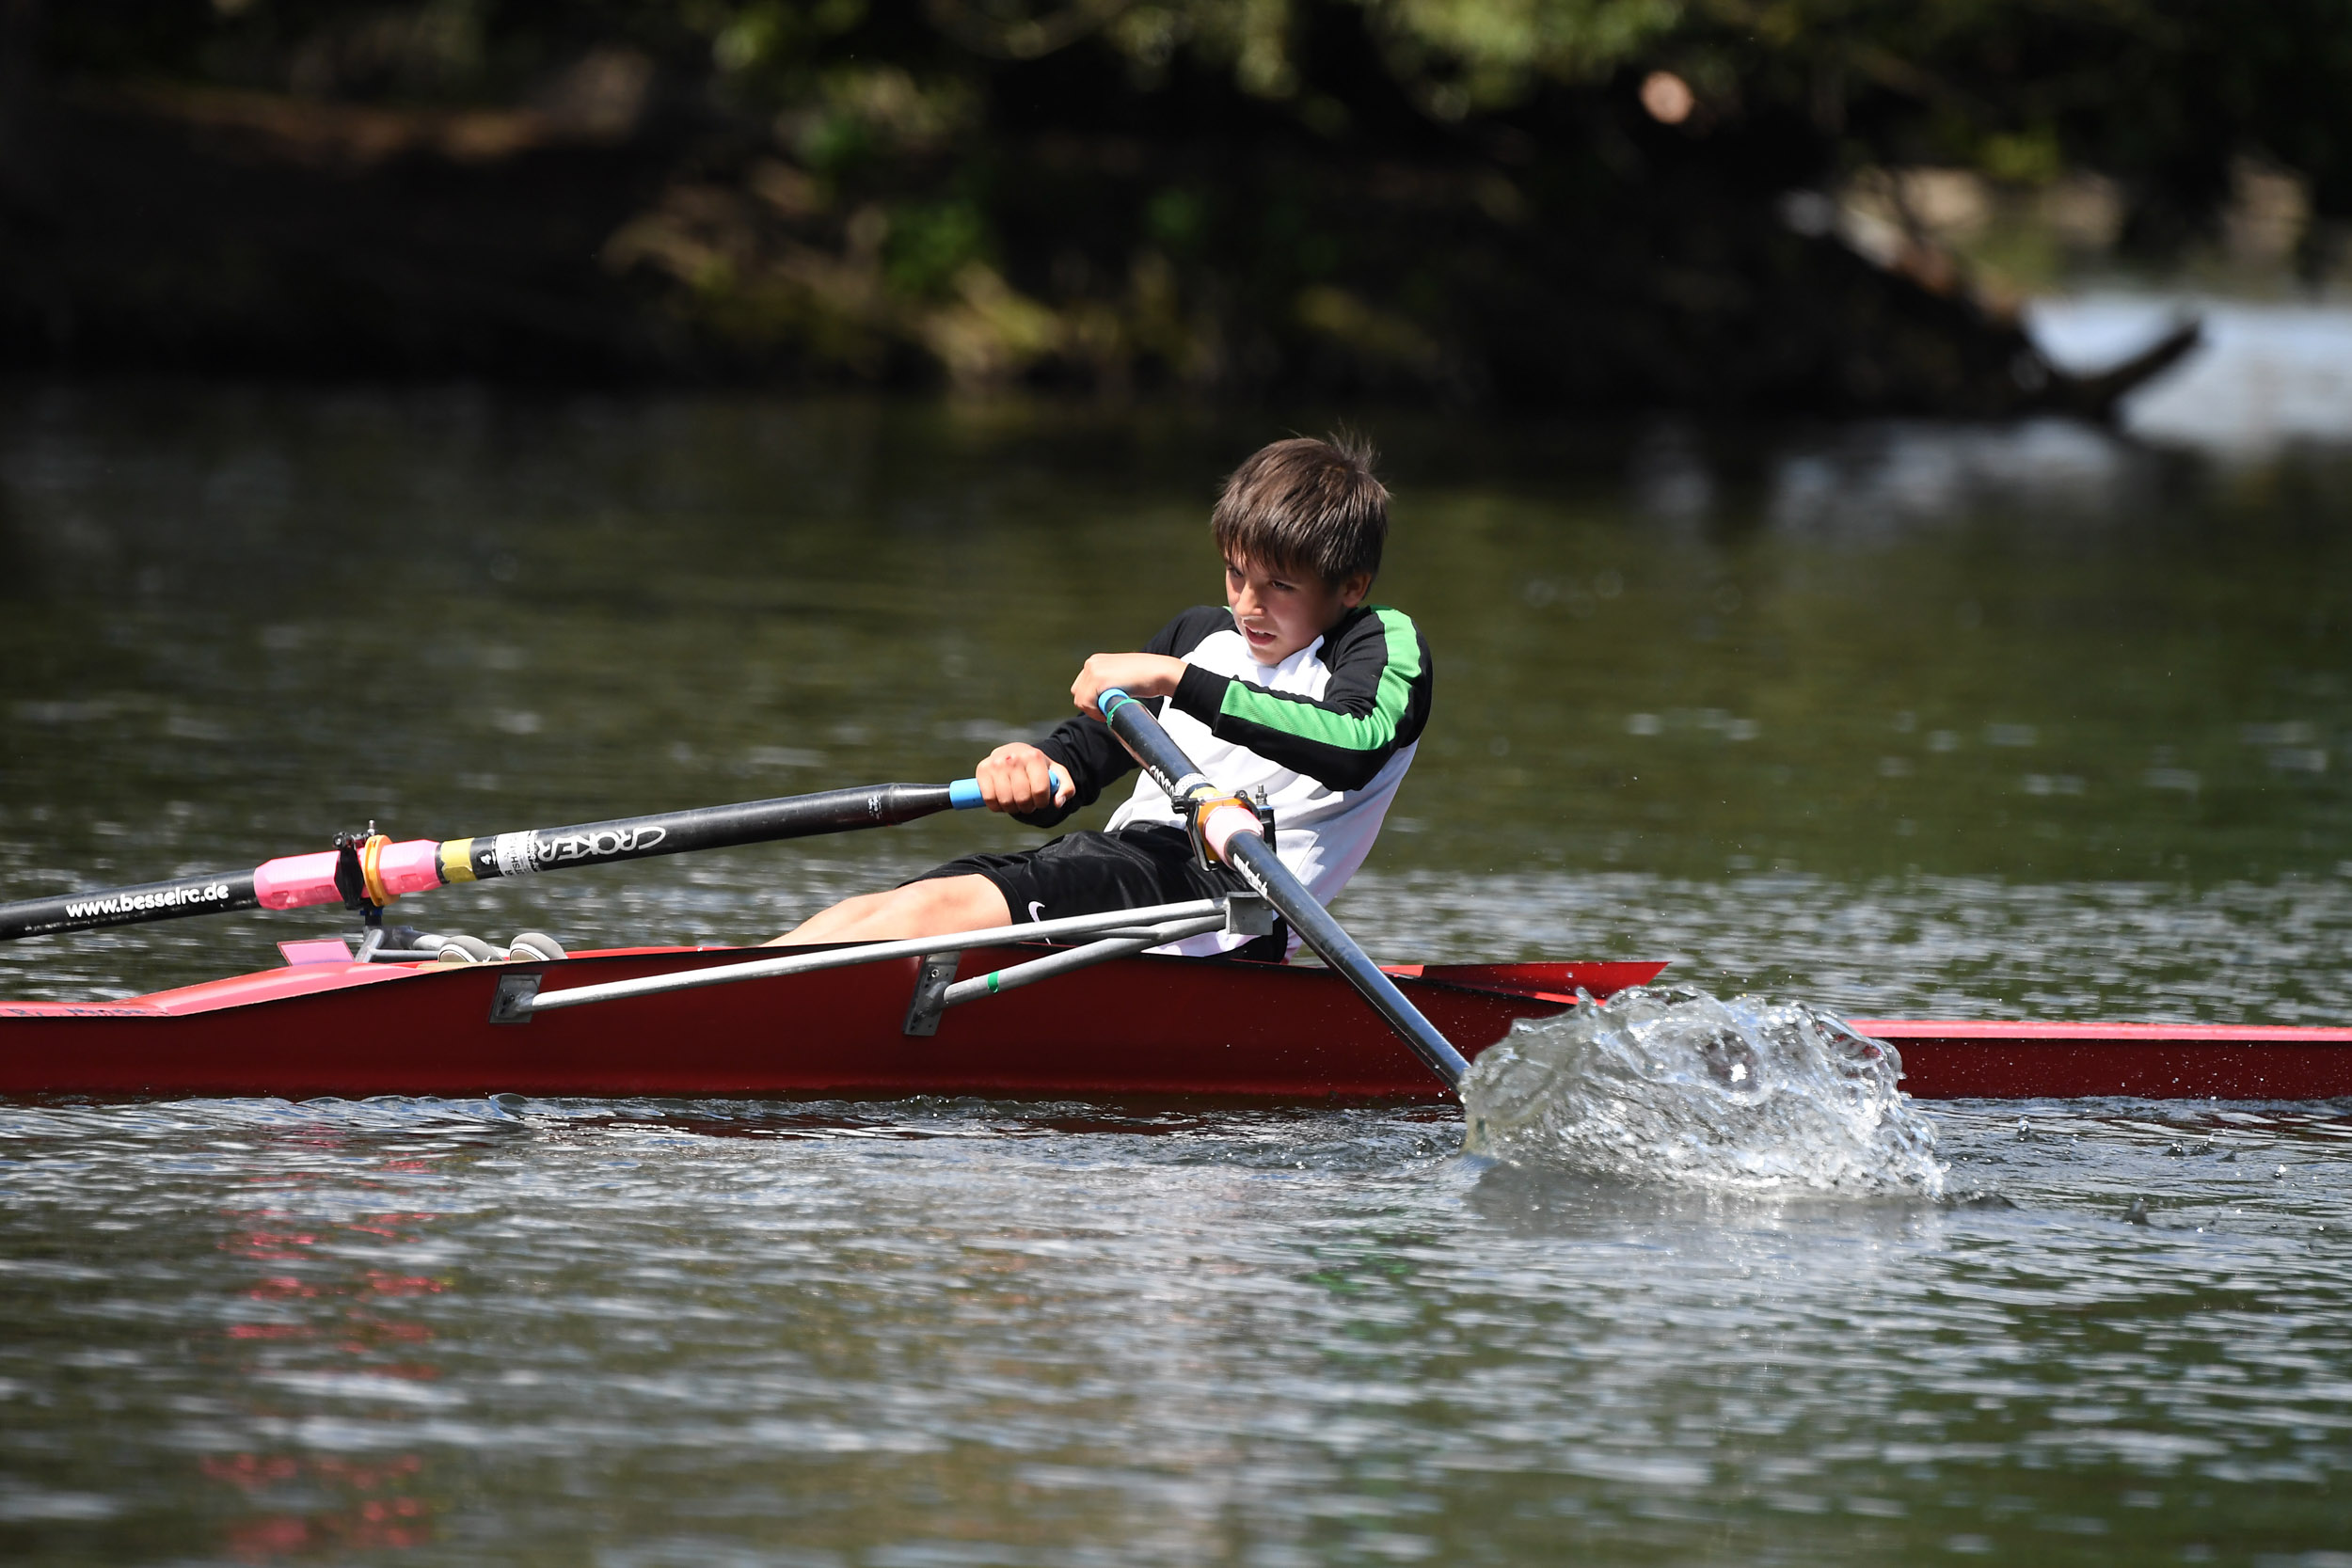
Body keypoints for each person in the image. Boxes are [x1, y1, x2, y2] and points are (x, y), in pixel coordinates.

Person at [771, 434, 1433, 958]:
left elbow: (1355, 743)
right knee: (887, 910)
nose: (1247, 605)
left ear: (1350, 584)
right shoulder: (1200, 634)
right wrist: (1030, 767)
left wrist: (1177, 681)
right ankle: (709, 991)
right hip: (1128, 868)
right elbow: (1080, 762)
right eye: (1236, 573)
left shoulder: (1377, 644)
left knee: (929, 916)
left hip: (1225, 906)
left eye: (1280, 586)